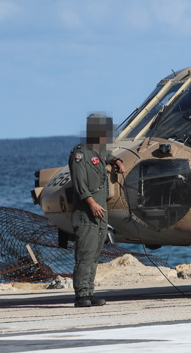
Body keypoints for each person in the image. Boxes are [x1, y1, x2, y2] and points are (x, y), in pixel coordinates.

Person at [68, 113, 125, 307]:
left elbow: (106, 156)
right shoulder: (80, 154)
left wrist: (116, 161)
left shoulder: (98, 150)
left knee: (94, 254)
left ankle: (89, 291)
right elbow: (79, 184)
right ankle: (81, 295)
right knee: (85, 253)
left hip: (100, 213)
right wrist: (91, 203)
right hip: (87, 213)